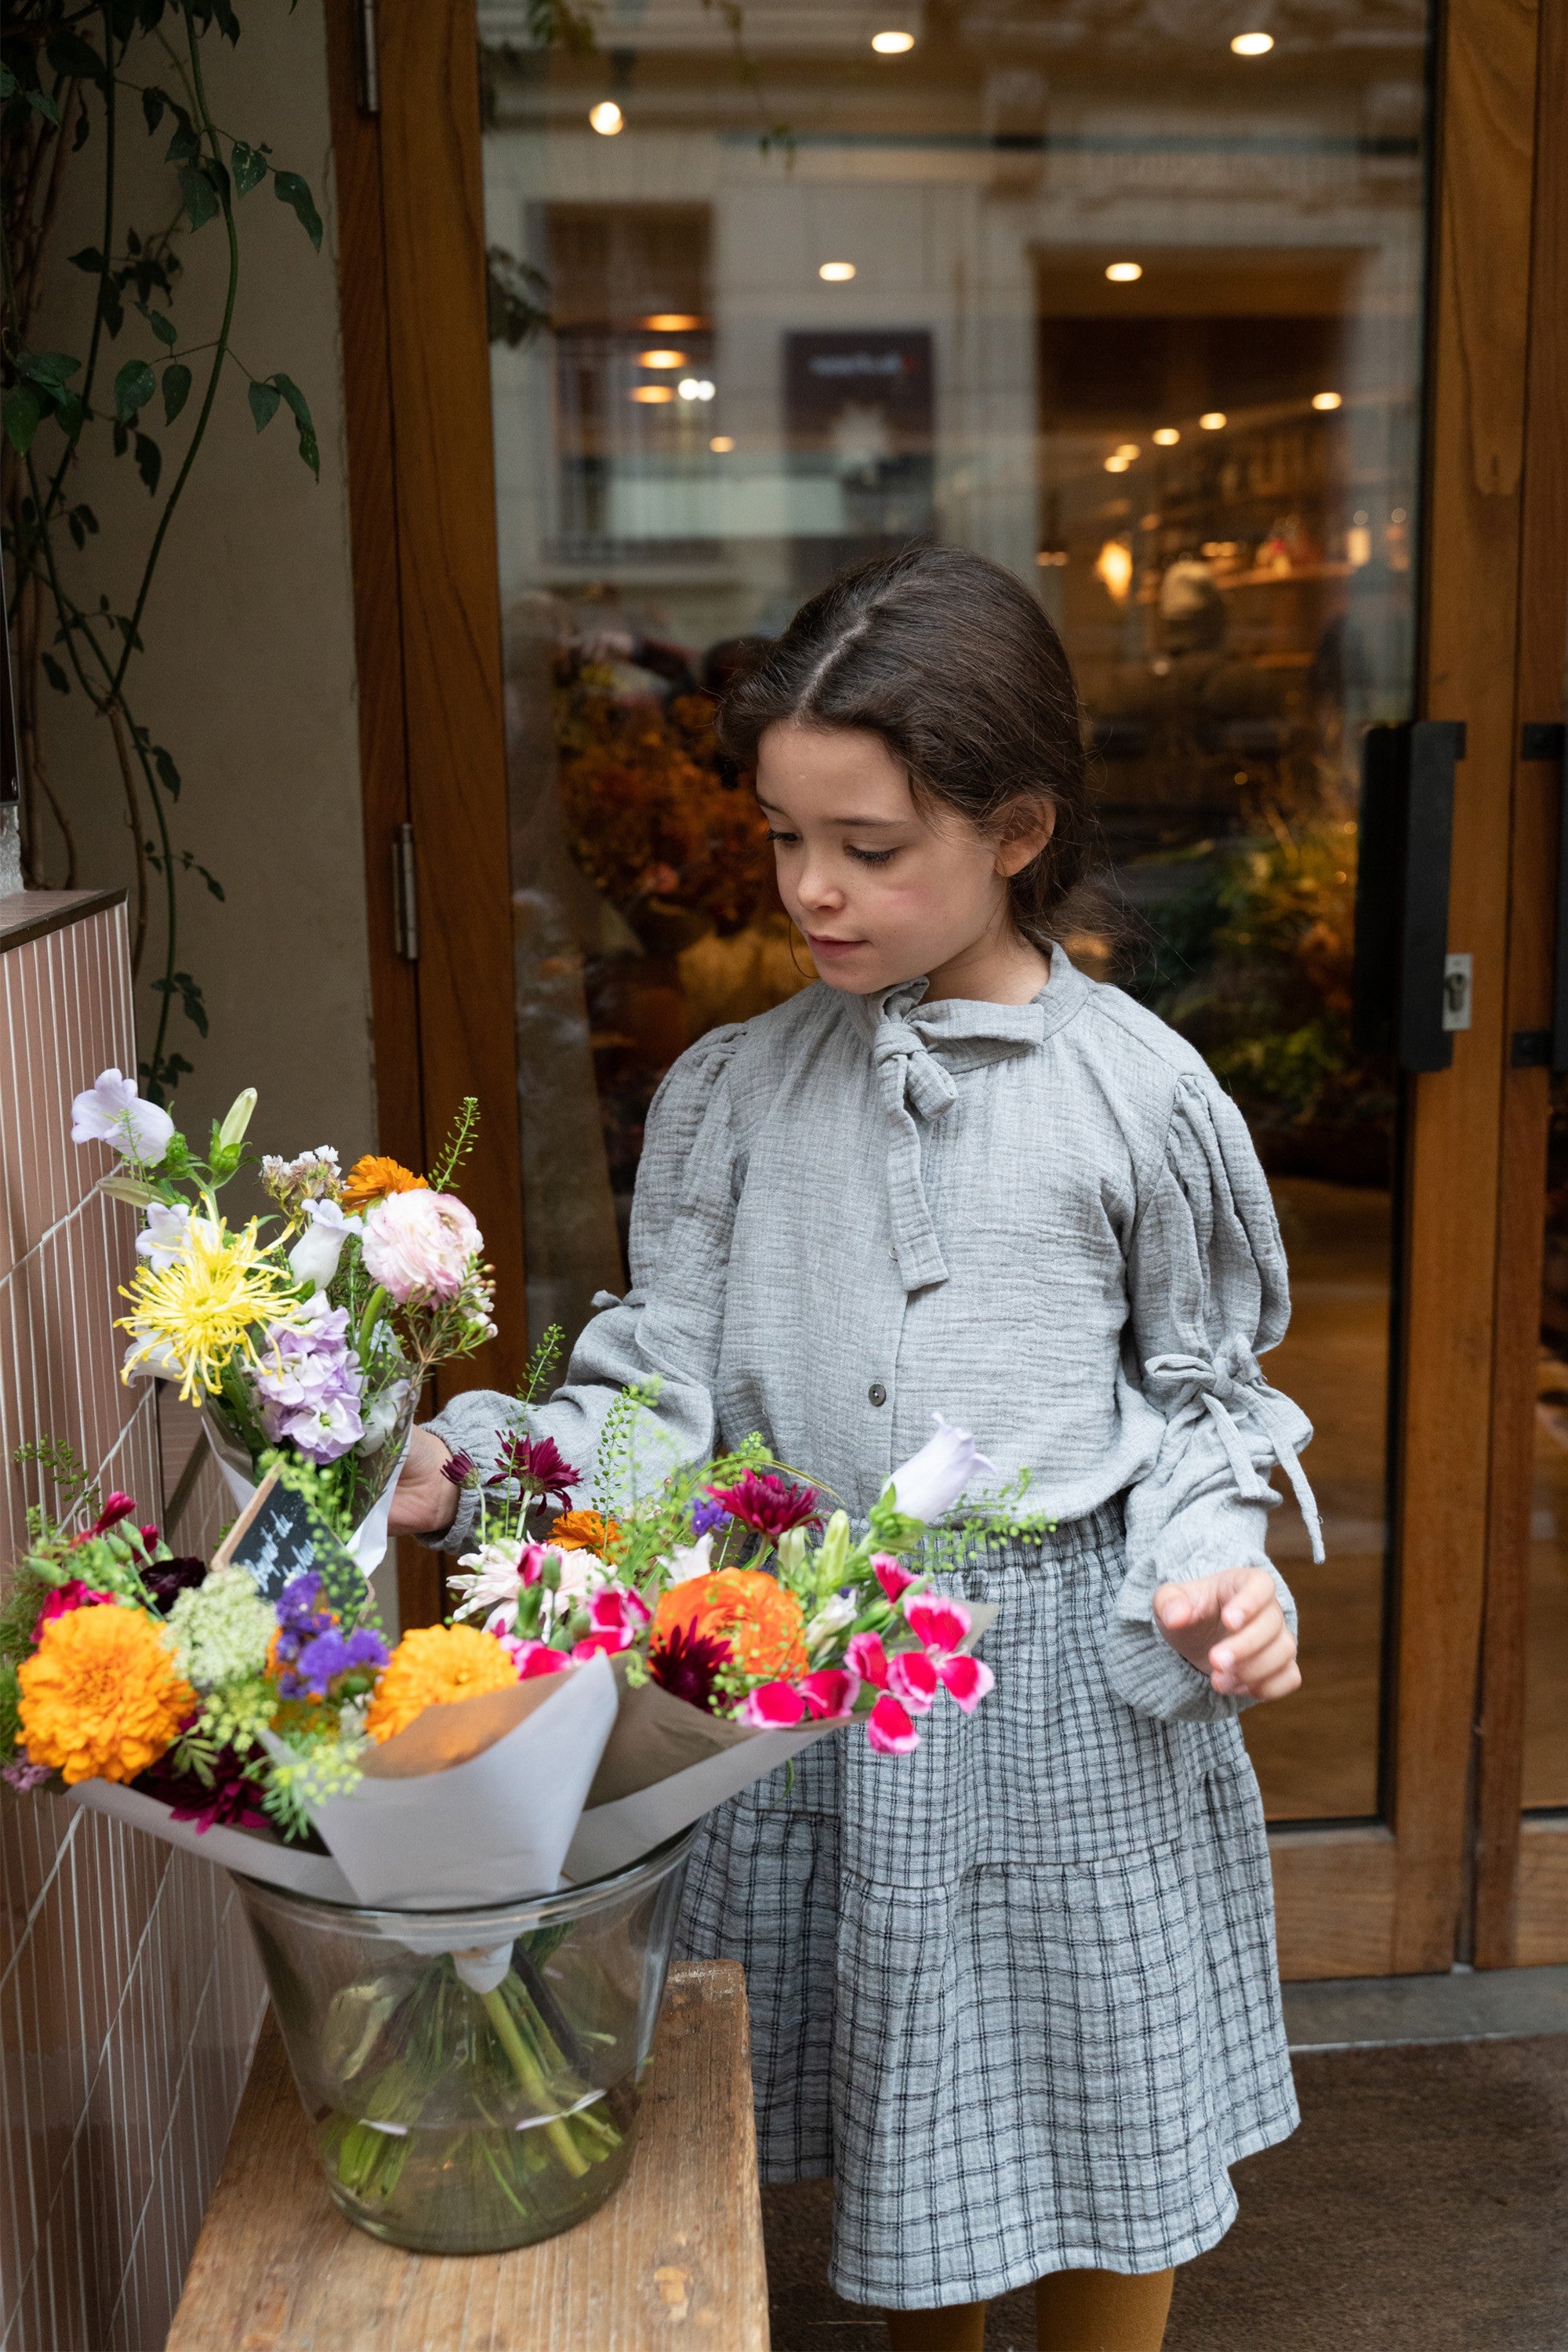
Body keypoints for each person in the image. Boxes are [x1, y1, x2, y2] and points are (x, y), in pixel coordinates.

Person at [390, 544, 1316, 2352]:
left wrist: (1219, 1573)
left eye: (868, 848)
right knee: (915, 2101)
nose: (812, 888)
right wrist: (499, 1466)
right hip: (829, 1677)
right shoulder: (739, 1093)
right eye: (783, 838)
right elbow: (660, 1385)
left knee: (1089, 2083)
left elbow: (1200, 1401)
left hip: (1063, 1696)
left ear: (1016, 826)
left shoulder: (1136, 1094)